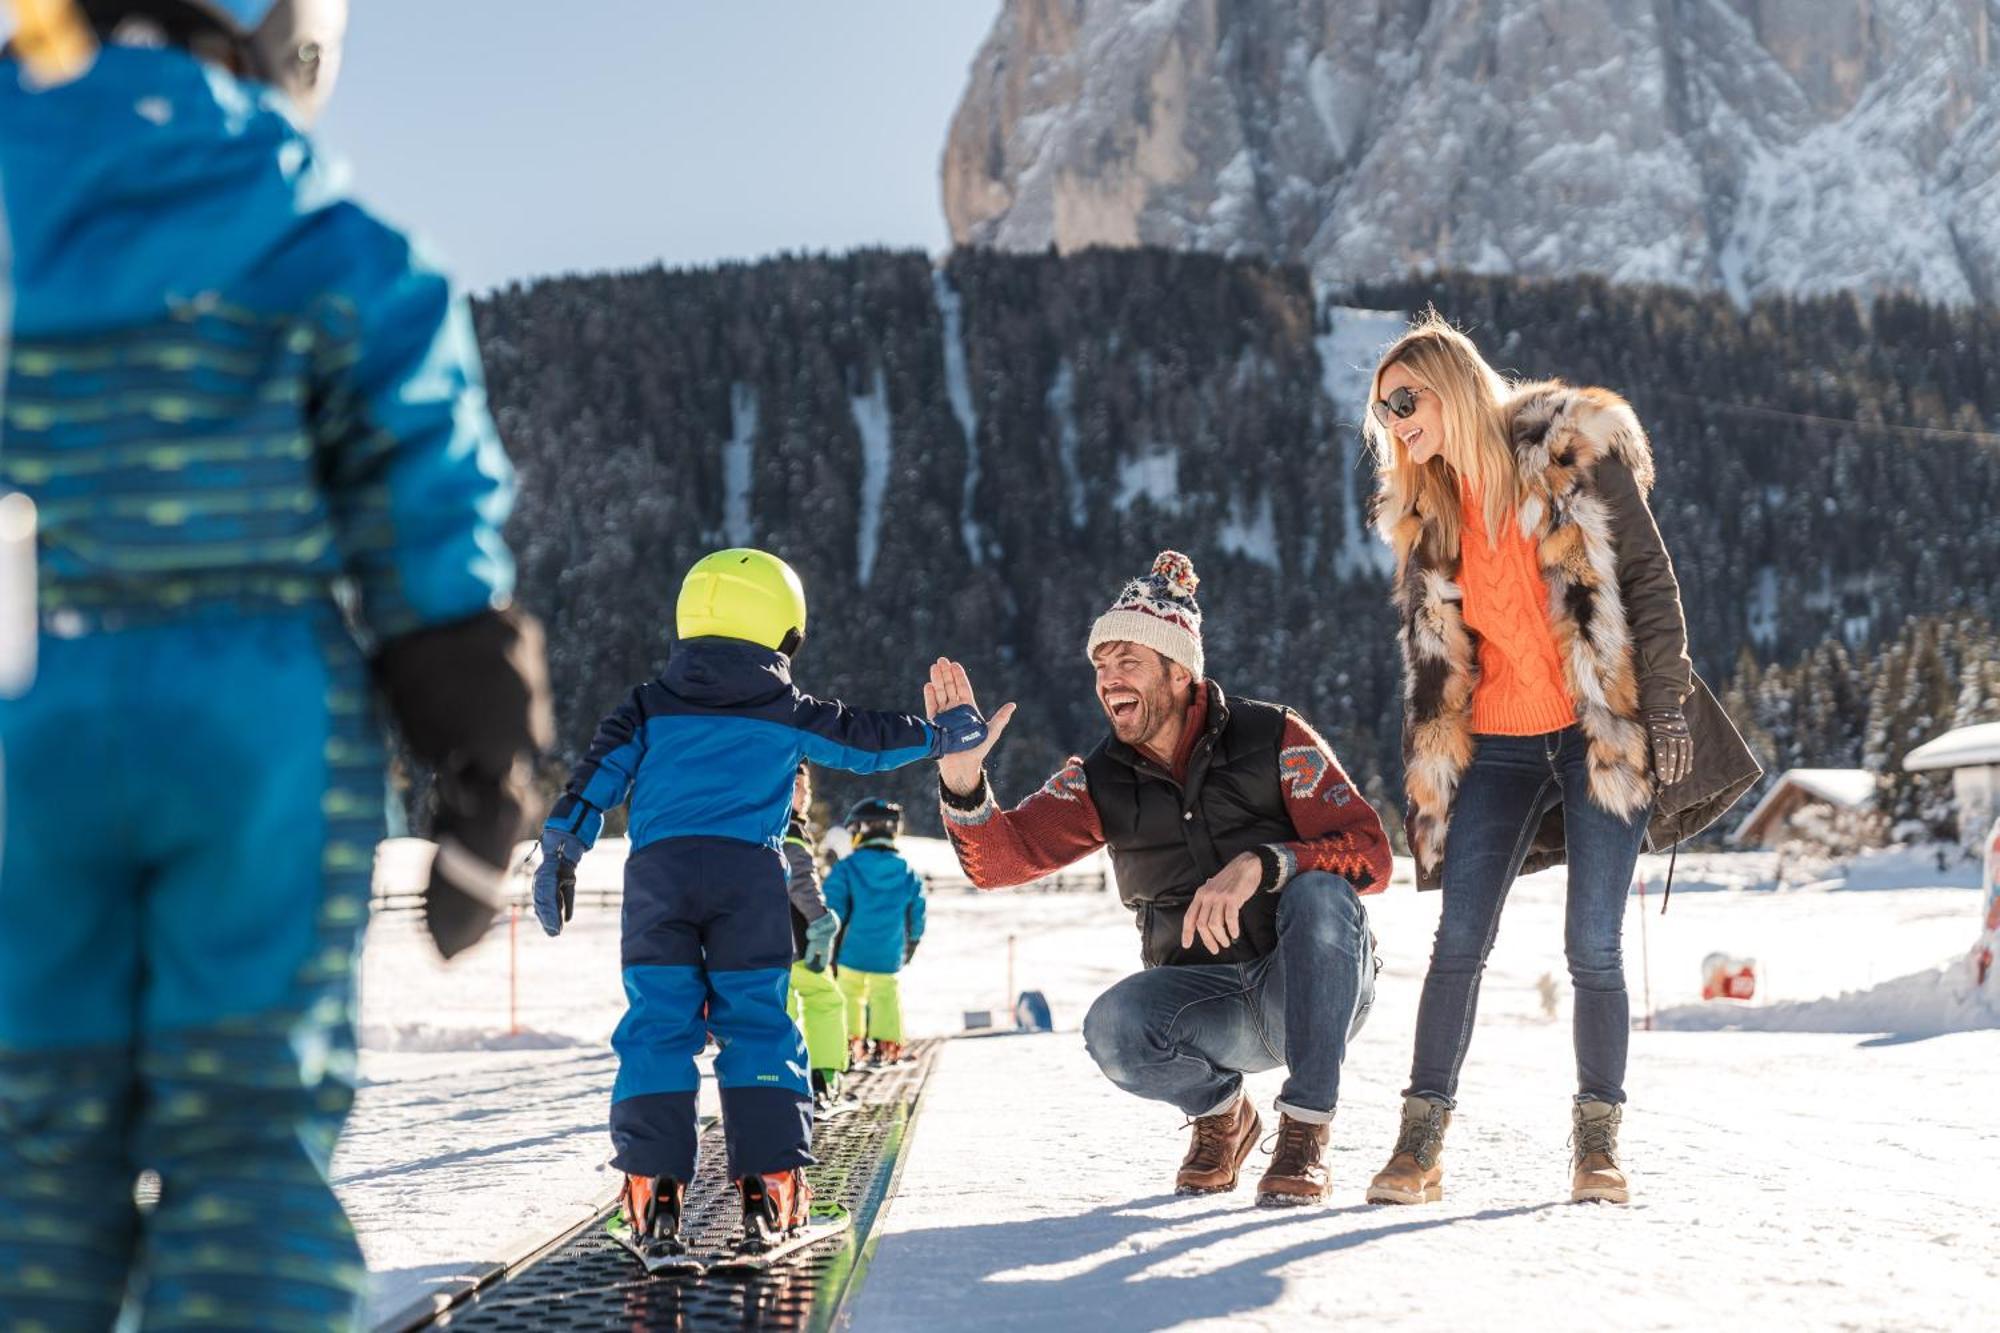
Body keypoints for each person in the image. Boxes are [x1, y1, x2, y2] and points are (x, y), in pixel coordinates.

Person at [0, 2, 554, 1326]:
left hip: (22, 714)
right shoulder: (315, 237)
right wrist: (477, 738)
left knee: (28, 1140)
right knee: (245, 1128)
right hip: (249, 725)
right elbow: (418, 484)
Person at [1361, 312, 1759, 1206]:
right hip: (1496, 745)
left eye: (1405, 400)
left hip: (1597, 735)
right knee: (1457, 941)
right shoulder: (1431, 511)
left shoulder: (1569, 451)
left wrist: (1663, 703)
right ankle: (1418, 1147)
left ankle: (1597, 1146)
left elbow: (1650, 581)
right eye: (1383, 411)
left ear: (1454, 385)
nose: (1394, 422)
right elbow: (1436, 658)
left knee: (1594, 946)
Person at [531, 548, 991, 1256]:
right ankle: (772, 1196)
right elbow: (862, 739)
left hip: (659, 879)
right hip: (748, 880)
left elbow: (596, 776)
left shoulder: (647, 705)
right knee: (759, 1025)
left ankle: (651, 1197)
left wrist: (563, 844)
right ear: (783, 629)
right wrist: (939, 734)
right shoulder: (785, 707)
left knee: (658, 1027)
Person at [930, 551, 1392, 1207]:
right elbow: (1001, 859)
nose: (1107, 678)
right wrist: (962, 778)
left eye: (1127, 662)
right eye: (1100, 665)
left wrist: (1266, 861)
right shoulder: (1099, 780)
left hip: (1309, 987)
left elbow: (1370, 852)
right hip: (1209, 1005)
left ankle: (1305, 1133)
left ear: (1179, 672)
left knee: (1322, 893)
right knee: (1113, 1027)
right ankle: (1223, 1114)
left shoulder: (1275, 736)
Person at [823, 797, 926, 1066]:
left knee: (849, 993)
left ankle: (849, 1043)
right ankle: (887, 1046)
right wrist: (912, 941)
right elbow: (917, 910)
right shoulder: (906, 872)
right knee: (885, 994)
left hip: (851, 951)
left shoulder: (847, 868)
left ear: (861, 831)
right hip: (888, 951)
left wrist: (828, 945)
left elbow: (832, 907)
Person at [784, 762, 849, 1108]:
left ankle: (781, 1081)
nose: (805, 794)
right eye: (797, 785)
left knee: (783, 1010)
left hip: (765, 945)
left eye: (806, 787)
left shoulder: (761, 827)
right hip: (798, 942)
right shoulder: (790, 832)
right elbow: (802, 883)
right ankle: (823, 1078)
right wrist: (822, 922)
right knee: (826, 1001)